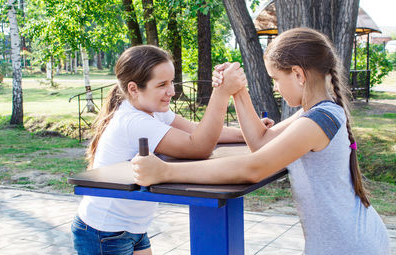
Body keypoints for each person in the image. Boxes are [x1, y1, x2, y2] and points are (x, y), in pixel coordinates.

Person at [132, 28, 390, 255]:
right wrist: (238, 91)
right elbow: (262, 142)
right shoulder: (316, 111)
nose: (275, 87)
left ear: (298, 74)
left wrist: (165, 171)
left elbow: (254, 167)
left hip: (347, 245)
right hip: (345, 240)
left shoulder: (318, 120)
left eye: (276, 79)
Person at [71, 45, 252, 255]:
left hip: (132, 228)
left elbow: (196, 130)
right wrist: (221, 92)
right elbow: (199, 146)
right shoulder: (134, 121)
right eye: (162, 85)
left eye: (172, 82)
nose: (172, 91)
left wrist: (248, 134)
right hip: (104, 232)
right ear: (133, 89)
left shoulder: (152, 111)